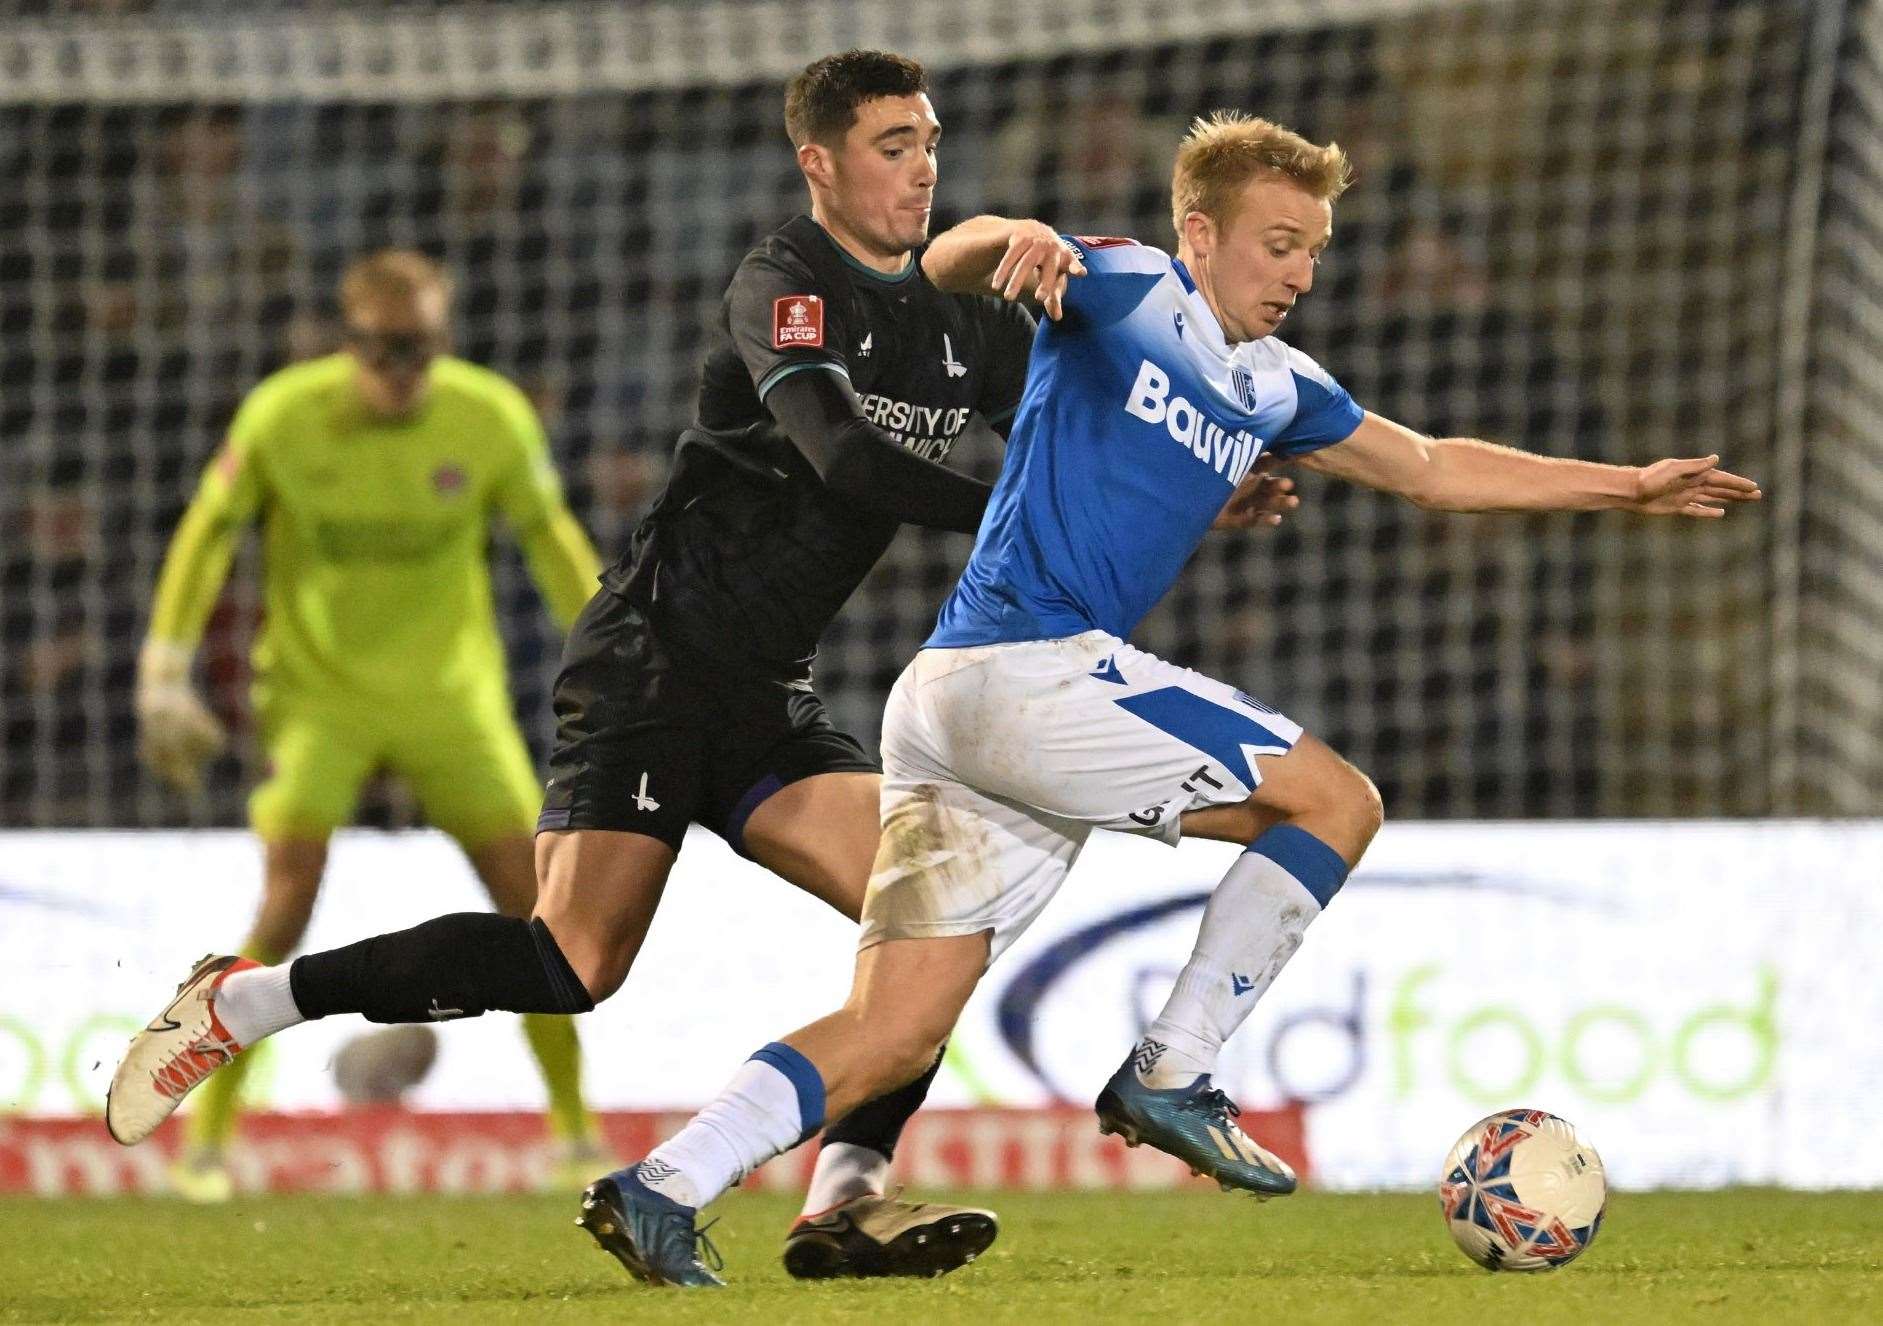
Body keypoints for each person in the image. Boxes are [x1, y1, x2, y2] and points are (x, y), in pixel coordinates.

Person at [107, 51, 1297, 1276]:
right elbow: (839, 454)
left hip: (767, 694)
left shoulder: (959, 331)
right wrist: (1014, 518)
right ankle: (244, 1003)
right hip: (654, 662)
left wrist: (1200, 484)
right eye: (892, 145)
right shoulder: (784, 281)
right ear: (819, 163)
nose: (921, 166)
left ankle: (845, 1197)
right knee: (570, 964)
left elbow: (1084, 427)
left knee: (936, 924)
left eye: (930, 142)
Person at [577, 109, 1763, 1288]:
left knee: (892, 1033)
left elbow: (1432, 467)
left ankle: (660, 1186)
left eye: (1312, 249)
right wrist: (1014, 234)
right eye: (1277, 242)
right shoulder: (1132, 287)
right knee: (1335, 802)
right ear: (1199, 231)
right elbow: (945, 261)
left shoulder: (1275, 386)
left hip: (951, 702)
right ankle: (1172, 1069)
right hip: (1022, 669)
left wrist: (1628, 486)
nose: (1298, 272)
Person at [127, 248, 610, 1199]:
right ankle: (210, 1142)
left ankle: (573, 1130)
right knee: (287, 900)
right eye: (386, 351)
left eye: (421, 349)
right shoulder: (283, 415)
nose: (404, 371)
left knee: (535, 910)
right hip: (318, 696)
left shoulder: (487, 417)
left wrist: (617, 659)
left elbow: (552, 541)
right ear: (348, 342)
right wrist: (162, 668)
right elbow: (207, 530)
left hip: (450, 695)